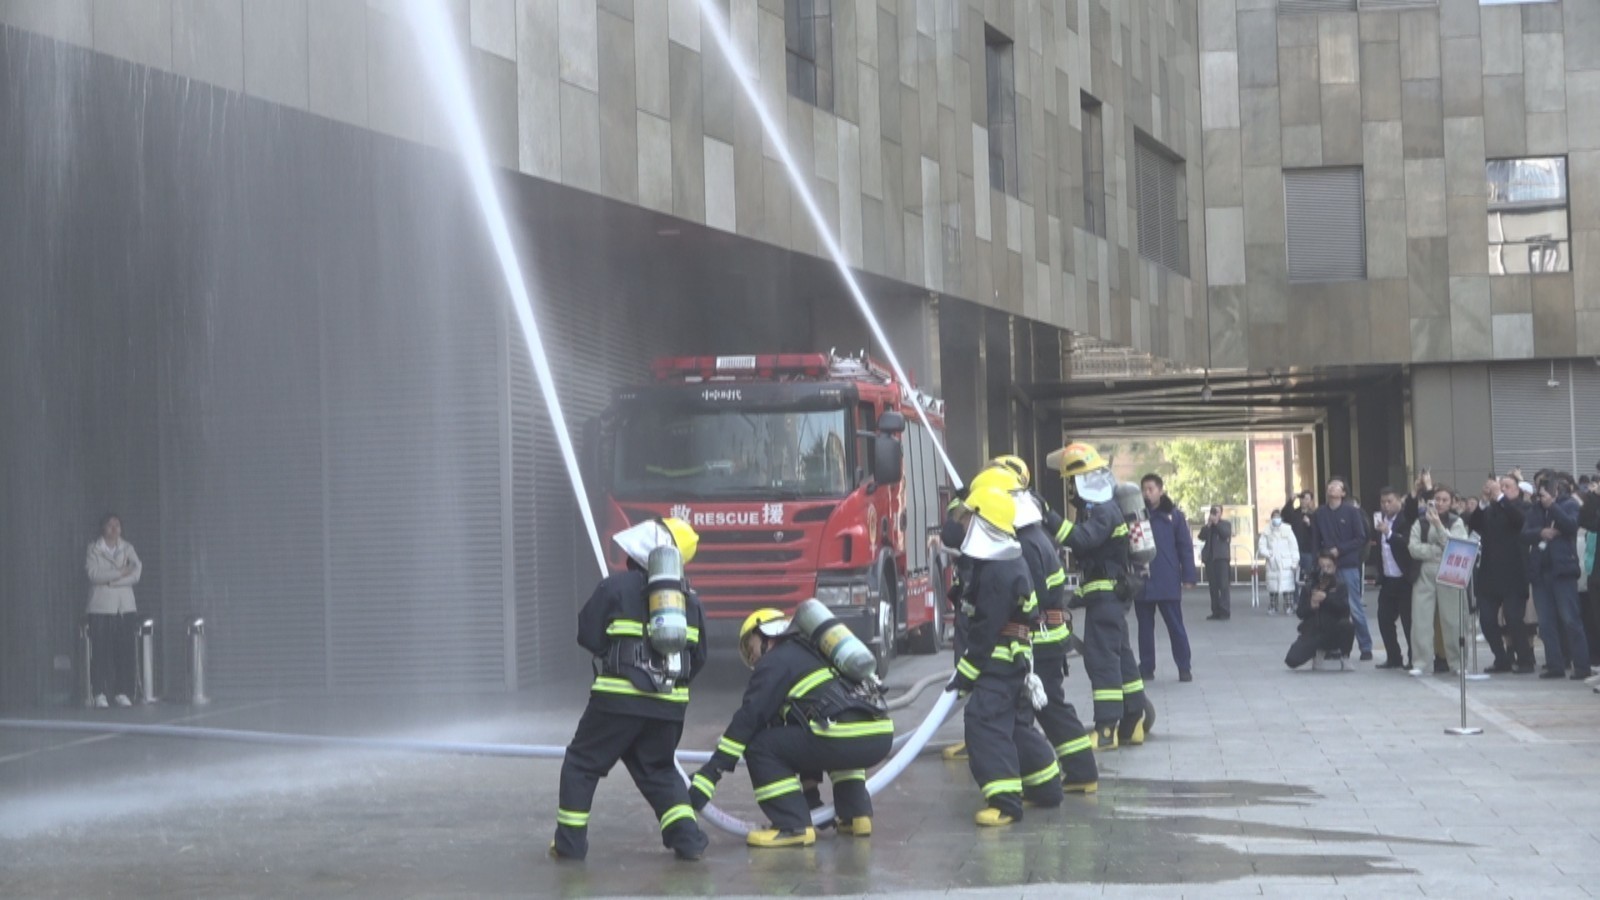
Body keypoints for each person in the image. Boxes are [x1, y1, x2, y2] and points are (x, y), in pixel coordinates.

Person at [552, 518, 710, 862]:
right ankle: (689, 841)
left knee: (581, 763)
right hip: (669, 707)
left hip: (617, 702)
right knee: (660, 770)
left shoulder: (616, 587)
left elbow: (587, 635)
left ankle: (569, 846)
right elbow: (698, 660)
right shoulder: (690, 603)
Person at [689, 608, 893, 847]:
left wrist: (710, 774)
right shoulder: (817, 653)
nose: (751, 656)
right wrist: (812, 801)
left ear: (766, 633)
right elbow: (802, 740)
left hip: (841, 735)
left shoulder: (774, 662)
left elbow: (748, 719)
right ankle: (855, 815)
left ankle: (792, 826)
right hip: (879, 733)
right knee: (820, 737)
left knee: (760, 745)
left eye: (749, 645)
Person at [971, 462, 1098, 792]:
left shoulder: (1022, 545)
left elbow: (1027, 595)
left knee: (1044, 707)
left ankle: (1074, 773)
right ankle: (1068, 774)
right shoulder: (1035, 535)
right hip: (1049, 634)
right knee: (1046, 705)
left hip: (1040, 638)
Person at [943, 487, 1063, 826]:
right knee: (1012, 725)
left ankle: (1005, 802)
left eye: (967, 520)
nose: (962, 527)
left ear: (983, 522)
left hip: (998, 661)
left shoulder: (999, 569)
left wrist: (965, 673)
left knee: (984, 723)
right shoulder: (1007, 558)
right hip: (1012, 660)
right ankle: (1045, 785)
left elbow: (985, 629)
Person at [1052, 443, 1145, 750]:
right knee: (1123, 660)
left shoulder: (1103, 512)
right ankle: (1134, 722)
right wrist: (1074, 599)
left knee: (1102, 661)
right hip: (1109, 600)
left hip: (1106, 603)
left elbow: (1082, 541)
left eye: (1071, 483)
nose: (1070, 491)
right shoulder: (1104, 509)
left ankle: (1106, 730)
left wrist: (1048, 518)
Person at [1523, 478, 1591, 680]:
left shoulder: (1569, 504)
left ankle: (1581, 665)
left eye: (1544, 492)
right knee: (1545, 623)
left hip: (1563, 570)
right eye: (1539, 492)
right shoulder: (1535, 509)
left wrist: (1552, 507)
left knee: (1570, 619)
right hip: (1541, 572)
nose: (1540, 497)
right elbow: (1524, 534)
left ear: (1555, 491)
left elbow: (1571, 525)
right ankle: (1555, 664)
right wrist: (1540, 532)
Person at [1468, 475, 1534, 673]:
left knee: (1514, 618)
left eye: (1507, 486)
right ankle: (1501, 658)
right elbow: (1474, 525)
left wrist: (1500, 497)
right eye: (1500, 486)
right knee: (1487, 619)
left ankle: (1525, 659)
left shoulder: (1522, 507)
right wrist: (1482, 502)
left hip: (1513, 573)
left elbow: (1519, 521)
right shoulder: (1491, 509)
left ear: (1517, 490)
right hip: (1490, 574)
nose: (1503, 489)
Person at [1137, 474, 1195, 681]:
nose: (1147, 493)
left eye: (1151, 489)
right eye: (1144, 489)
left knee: (1175, 625)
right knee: (1144, 628)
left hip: (1167, 578)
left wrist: (1188, 575)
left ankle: (1184, 667)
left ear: (1160, 491)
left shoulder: (1173, 515)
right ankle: (1146, 667)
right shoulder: (1136, 515)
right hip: (1142, 580)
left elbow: (1185, 547)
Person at [1407, 487, 1469, 676]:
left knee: (1453, 619)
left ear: (1451, 502)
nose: (1440, 503)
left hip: (1450, 569)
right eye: (1437, 499)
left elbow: (1457, 545)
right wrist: (1435, 551)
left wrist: (1440, 527)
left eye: (1444, 500)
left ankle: (1458, 663)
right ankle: (1421, 662)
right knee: (1421, 619)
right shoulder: (1420, 522)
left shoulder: (1455, 521)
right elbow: (1413, 548)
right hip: (1425, 571)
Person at [84, 513, 142, 708]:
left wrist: (110, 581)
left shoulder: (128, 548)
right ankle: (99, 692)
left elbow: (136, 572)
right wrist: (119, 573)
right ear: (103, 528)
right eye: (110, 525)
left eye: (117, 524)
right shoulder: (93, 549)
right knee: (100, 652)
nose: (114, 528)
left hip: (124, 607)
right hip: (100, 608)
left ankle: (122, 691)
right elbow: (93, 574)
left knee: (124, 651)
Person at [1312, 477, 1373, 660]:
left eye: (1336, 486)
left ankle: (1365, 646)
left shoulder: (1352, 512)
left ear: (1343, 492)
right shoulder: (1320, 513)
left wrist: (1340, 549)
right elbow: (1315, 539)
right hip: (1327, 566)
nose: (1332, 487)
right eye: (1330, 485)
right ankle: (1334, 646)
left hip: (1347, 565)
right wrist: (1318, 559)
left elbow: (1360, 537)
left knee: (1354, 606)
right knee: (1329, 606)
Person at [1370, 487, 1418, 670]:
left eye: (1390, 501)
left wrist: (1388, 533)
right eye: (1383, 502)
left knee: (1408, 621)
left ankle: (1413, 658)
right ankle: (1393, 656)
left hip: (1404, 578)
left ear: (1399, 501)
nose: (1386, 505)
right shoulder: (1379, 521)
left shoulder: (1406, 520)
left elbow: (1406, 543)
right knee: (1384, 618)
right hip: (1388, 579)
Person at [1285, 551, 1355, 669]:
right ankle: (1318, 652)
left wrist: (1326, 599)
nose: (1326, 570)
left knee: (1348, 626)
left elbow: (1345, 610)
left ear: (1335, 567)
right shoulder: (1309, 587)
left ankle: (1345, 656)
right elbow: (1300, 613)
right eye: (1322, 567)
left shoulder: (1340, 586)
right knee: (1292, 660)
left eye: (1329, 567)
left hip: (1334, 629)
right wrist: (1311, 605)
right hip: (1313, 631)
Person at [1258, 508, 1300, 615]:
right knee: (1273, 587)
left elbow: (1293, 547)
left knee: (1288, 587)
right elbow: (1261, 546)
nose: (1276, 519)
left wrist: (1295, 561)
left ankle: (1289, 606)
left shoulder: (1287, 530)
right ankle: (1273, 606)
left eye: (1278, 517)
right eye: (1274, 517)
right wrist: (1268, 554)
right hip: (1273, 563)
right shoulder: (1267, 531)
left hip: (1286, 562)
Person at [1198, 506, 1233, 620]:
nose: (1214, 514)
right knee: (1213, 587)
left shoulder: (1225, 524)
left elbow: (1225, 534)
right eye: (1212, 512)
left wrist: (1217, 523)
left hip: (1221, 559)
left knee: (1223, 586)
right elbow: (1201, 536)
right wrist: (1208, 525)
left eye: (1216, 512)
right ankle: (1215, 610)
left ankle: (1224, 611)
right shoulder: (1209, 526)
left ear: (1220, 513)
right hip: (1210, 559)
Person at [1283, 491, 1319, 582]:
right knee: (1293, 577)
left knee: (1309, 576)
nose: (1304, 501)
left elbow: (1318, 532)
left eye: (1307, 499)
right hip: (1294, 550)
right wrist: (1291, 501)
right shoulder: (1295, 513)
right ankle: (1295, 596)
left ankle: (1307, 595)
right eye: (1302, 498)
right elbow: (1284, 515)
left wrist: (1309, 524)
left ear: (1311, 501)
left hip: (1308, 551)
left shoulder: (1314, 515)